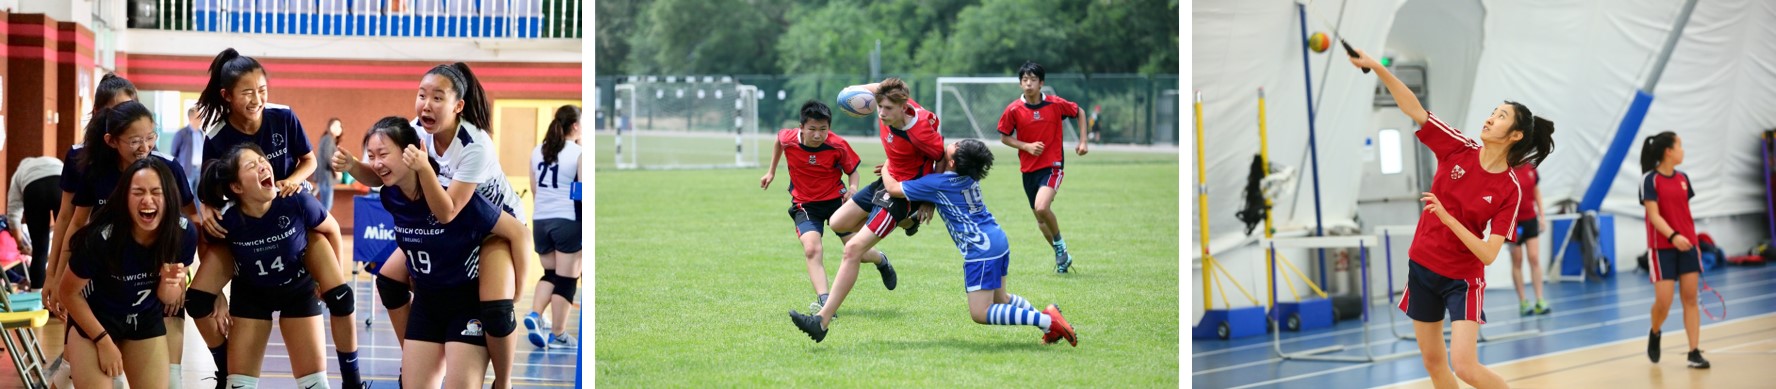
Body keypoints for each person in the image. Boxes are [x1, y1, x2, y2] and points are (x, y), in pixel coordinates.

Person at [1349, 47, 1554, 389]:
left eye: (1501, 116)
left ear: (1516, 135)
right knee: (1434, 364)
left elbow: (1488, 254)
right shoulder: (1458, 147)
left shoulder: (1510, 188)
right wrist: (1376, 67)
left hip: (1462, 280)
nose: (1490, 118)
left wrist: (1447, 218)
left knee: (1465, 366)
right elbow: (1414, 108)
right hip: (1423, 267)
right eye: (1492, 112)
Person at [332, 63, 528, 386]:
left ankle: (503, 381)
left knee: (495, 306)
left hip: (492, 224)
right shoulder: (417, 133)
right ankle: (416, 351)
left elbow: (449, 211)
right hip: (452, 218)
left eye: (438, 97)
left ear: (458, 106)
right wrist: (355, 165)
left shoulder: (474, 145)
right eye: (422, 95)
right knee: (390, 279)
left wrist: (517, 286)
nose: (426, 104)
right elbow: (384, 169)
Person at [194, 47, 362, 387]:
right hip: (249, 233)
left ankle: (352, 380)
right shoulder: (216, 137)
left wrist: (292, 183)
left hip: (292, 218)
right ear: (227, 96)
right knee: (197, 299)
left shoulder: (283, 118)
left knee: (342, 298)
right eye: (247, 92)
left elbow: (310, 162)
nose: (257, 99)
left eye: (262, 90)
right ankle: (225, 370)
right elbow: (208, 186)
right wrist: (208, 208)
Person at [786, 78, 951, 341]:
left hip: (901, 194)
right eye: (879, 107)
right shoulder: (886, 101)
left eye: (887, 109)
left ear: (903, 107)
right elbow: (879, 86)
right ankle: (904, 228)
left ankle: (821, 321)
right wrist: (850, 91)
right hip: (884, 180)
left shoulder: (919, 131)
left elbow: (942, 156)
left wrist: (929, 200)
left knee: (852, 249)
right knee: (839, 223)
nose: (881, 113)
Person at [873, 139, 1076, 345]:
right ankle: (1048, 325)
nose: (954, 142)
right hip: (997, 240)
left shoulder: (939, 184)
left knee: (980, 313)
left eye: (957, 145)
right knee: (1001, 299)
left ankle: (1048, 320)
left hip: (981, 251)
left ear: (952, 163)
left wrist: (889, 166)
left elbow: (893, 188)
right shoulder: (969, 175)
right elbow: (938, 177)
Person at [189, 144, 343, 388]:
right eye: (252, 165)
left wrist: (328, 281)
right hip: (252, 294)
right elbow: (207, 249)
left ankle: (352, 378)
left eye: (262, 160)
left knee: (316, 384)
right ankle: (223, 368)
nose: (262, 165)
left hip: (298, 290)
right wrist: (217, 293)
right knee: (237, 382)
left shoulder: (295, 200)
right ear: (237, 187)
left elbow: (332, 231)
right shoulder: (227, 220)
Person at [58, 158, 196, 387]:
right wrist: (103, 342)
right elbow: (68, 293)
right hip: (96, 321)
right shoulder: (101, 238)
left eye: (156, 192)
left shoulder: (183, 234)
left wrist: (170, 285)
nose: (147, 200)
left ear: (169, 197)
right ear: (124, 198)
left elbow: (168, 300)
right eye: (138, 192)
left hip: (143, 319)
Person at [759, 101, 865, 317]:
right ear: (801, 127)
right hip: (805, 205)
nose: (818, 135)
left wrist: (853, 188)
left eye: (823, 130)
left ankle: (881, 260)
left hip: (837, 202)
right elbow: (779, 141)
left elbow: (853, 171)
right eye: (812, 129)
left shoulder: (838, 145)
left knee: (859, 251)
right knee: (811, 249)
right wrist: (772, 172)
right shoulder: (789, 138)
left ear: (829, 128)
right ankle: (825, 302)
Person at [996, 61, 1089, 273]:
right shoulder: (1013, 109)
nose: (1028, 84)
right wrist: (1025, 146)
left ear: (1041, 83)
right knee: (1040, 219)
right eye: (1024, 80)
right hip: (1028, 170)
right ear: (1020, 84)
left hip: (1052, 166)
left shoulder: (1055, 104)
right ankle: (1061, 256)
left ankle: (1060, 245)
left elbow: (1079, 112)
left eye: (1033, 80)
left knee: (1041, 207)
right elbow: (1004, 136)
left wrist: (1083, 141)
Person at [1638, 131, 1710, 369]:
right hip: (1662, 248)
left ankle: (1693, 351)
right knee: (1664, 303)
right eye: (1680, 145)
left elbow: (1683, 213)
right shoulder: (1650, 180)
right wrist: (1673, 236)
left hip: (1688, 245)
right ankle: (1656, 331)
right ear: (1668, 151)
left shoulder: (1683, 178)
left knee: (1690, 299)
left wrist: (1692, 241)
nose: (1682, 150)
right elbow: (1654, 216)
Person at [525, 105, 584, 349]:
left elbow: (536, 189)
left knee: (551, 274)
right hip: (567, 220)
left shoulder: (538, 151)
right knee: (567, 279)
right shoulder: (579, 153)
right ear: (576, 127)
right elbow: (581, 193)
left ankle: (535, 315)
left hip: (541, 219)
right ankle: (558, 335)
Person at [8, 156, 62, 291]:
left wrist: (20, 244)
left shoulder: (19, 173)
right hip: (59, 183)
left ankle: (38, 298)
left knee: (39, 250)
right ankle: (67, 295)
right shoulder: (54, 161)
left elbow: (13, 214)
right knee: (67, 245)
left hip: (33, 190)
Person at [1506, 163, 1549, 315]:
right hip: (1512, 223)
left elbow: (1536, 192)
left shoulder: (1531, 168)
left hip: (1530, 219)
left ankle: (1539, 300)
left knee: (1534, 258)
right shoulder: (1505, 169)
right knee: (1517, 260)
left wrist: (1542, 216)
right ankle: (1523, 301)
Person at [312, 118, 344, 211]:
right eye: (334, 125)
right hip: (326, 177)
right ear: (329, 127)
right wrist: (337, 171)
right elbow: (328, 157)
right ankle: (321, 225)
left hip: (324, 177)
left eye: (339, 126)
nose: (337, 128)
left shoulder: (327, 139)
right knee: (326, 206)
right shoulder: (328, 139)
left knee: (325, 204)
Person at [171, 105, 205, 189]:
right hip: (188, 170)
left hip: (200, 169)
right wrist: (182, 166)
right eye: (198, 117)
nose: (201, 120)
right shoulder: (182, 133)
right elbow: (174, 152)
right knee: (188, 195)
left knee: (199, 195)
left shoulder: (201, 133)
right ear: (191, 119)